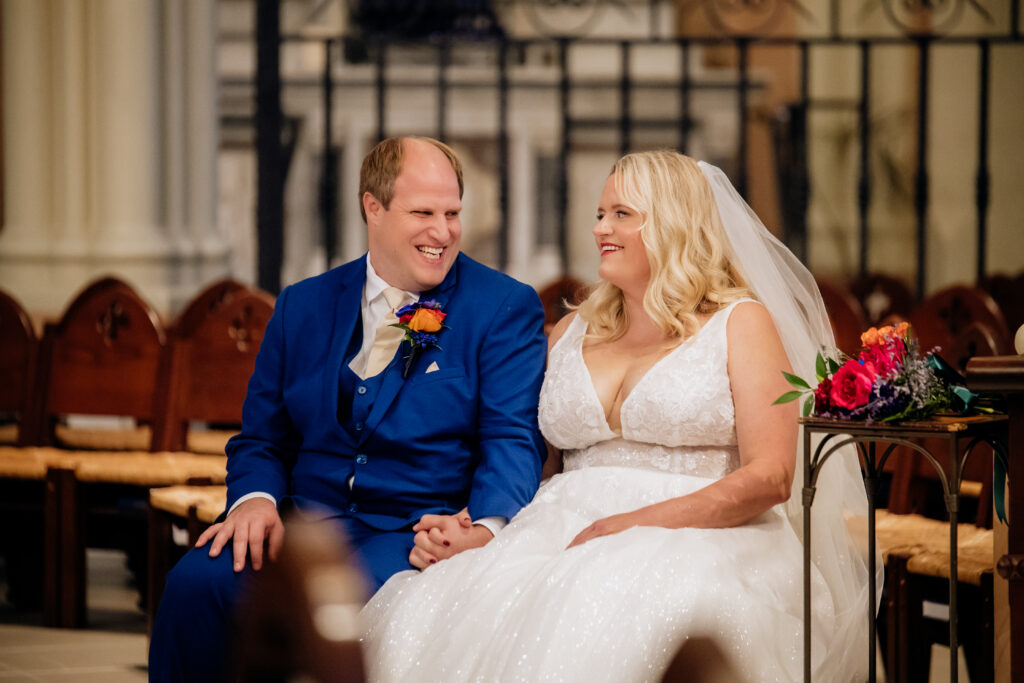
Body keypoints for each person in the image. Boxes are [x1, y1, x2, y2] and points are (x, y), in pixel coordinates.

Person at [361, 150, 876, 682]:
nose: (600, 228)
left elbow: (772, 477)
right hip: (556, 530)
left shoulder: (740, 324)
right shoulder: (569, 332)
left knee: (600, 612)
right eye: (601, 213)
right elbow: (531, 462)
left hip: (702, 536)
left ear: (673, 222)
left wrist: (627, 526)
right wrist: (477, 526)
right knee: (438, 616)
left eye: (621, 214)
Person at [148, 137, 548, 683]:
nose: (443, 232)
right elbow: (262, 438)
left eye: (452, 213)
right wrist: (253, 501)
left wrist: (484, 526)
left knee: (329, 615)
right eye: (423, 213)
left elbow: (510, 437)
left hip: (409, 536)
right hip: (297, 524)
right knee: (195, 584)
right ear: (373, 207)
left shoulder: (502, 306)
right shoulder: (302, 304)